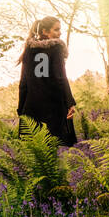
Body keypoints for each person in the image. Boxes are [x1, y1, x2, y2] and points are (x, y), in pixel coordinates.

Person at [16, 16, 77, 147]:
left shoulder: (28, 50)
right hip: (53, 106)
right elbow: (60, 77)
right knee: (52, 150)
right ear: (44, 31)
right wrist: (70, 102)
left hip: (32, 107)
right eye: (56, 30)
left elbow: (23, 83)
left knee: (35, 151)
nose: (59, 33)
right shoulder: (56, 48)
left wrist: (21, 109)